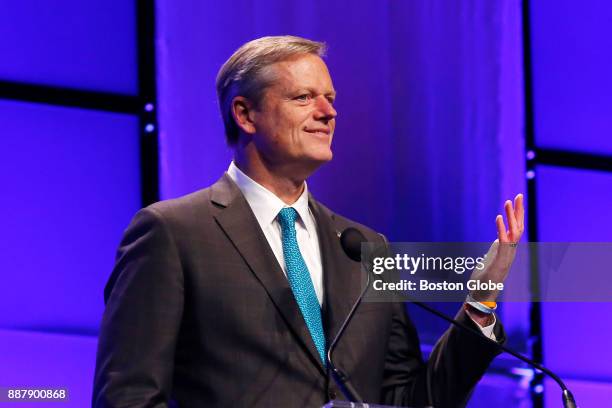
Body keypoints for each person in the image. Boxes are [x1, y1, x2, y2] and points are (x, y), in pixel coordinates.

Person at [93, 35, 524, 407]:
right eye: (303, 98)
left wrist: (480, 302)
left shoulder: (364, 248)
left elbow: (409, 400)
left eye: (330, 99)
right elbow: (128, 397)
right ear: (245, 115)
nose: (328, 112)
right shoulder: (174, 233)